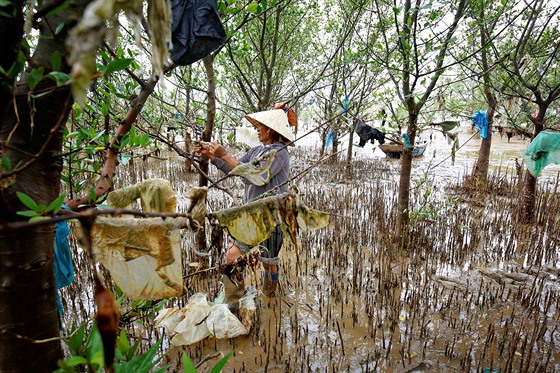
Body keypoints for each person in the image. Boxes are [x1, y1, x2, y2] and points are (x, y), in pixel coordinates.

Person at [194, 107, 296, 305]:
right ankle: (233, 302)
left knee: (268, 263)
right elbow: (235, 168)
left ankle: (270, 298)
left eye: (260, 127)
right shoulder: (256, 150)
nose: (257, 130)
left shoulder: (280, 153)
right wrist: (212, 155)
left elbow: (256, 175)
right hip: (250, 216)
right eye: (257, 126)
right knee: (231, 256)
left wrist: (224, 154)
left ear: (272, 130)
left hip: (271, 217)